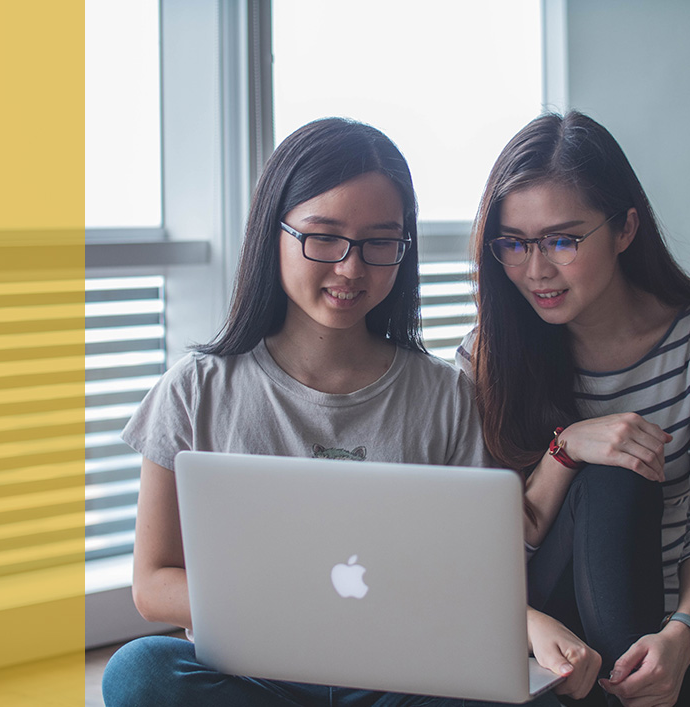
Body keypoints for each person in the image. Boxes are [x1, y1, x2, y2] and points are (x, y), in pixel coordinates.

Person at [102, 117, 601, 707]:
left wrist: (525, 623)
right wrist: (310, 598)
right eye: (324, 237)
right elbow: (154, 586)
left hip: (402, 677)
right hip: (254, 673)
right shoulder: (195, 389)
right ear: (274, 234)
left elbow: (468, 571)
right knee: (139, 672)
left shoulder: (445, 394)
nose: (350, 267)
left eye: (379, 242)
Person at [457, 110, 690, 707]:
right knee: (612, 473)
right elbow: (482, 549)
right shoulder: (486, 354)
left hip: (649, 623)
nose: (536, 270)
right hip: (541, 633)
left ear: (625, 229)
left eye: (562, 239)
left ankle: (645, 679)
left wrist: (683, 632)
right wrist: (567, 448)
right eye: (514, 244)